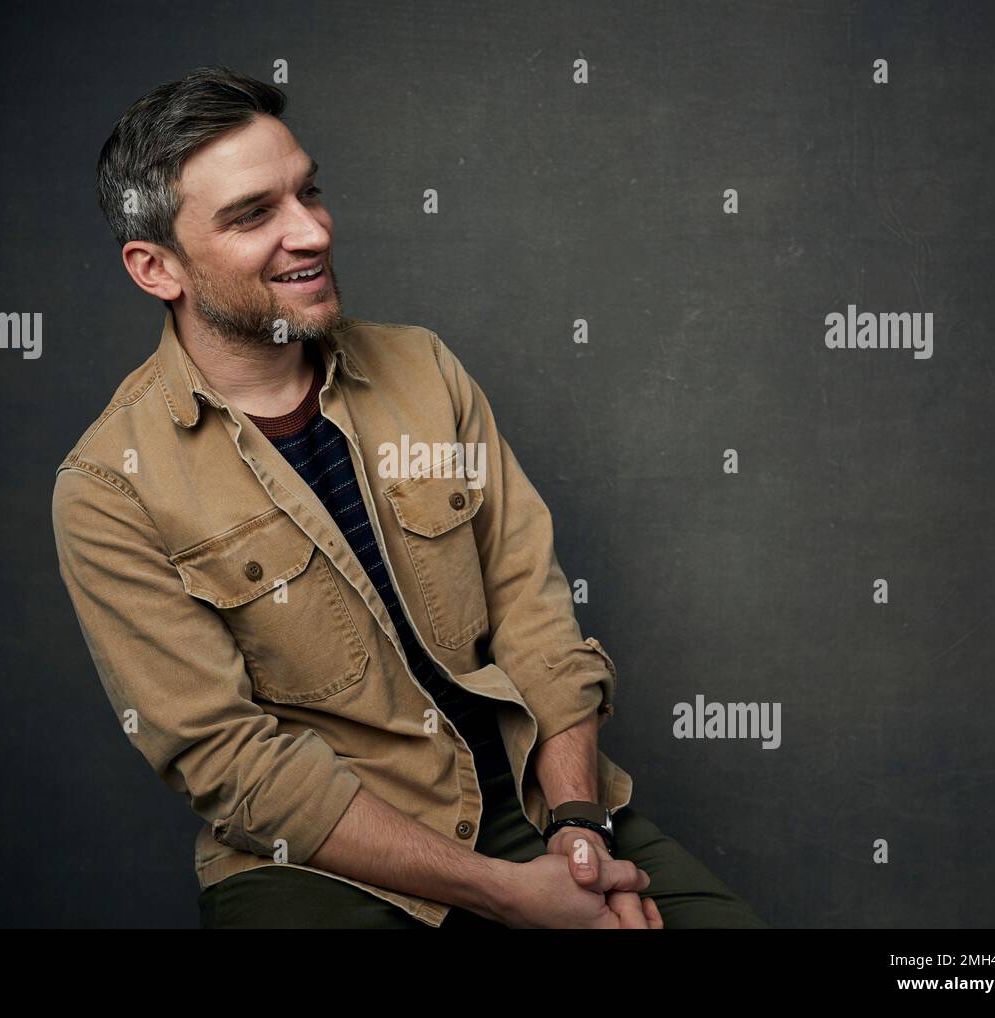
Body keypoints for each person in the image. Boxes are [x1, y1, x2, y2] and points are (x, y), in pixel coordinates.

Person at [51, 65, 767, 929]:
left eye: (308, 192)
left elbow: (533, 610)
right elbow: (234, 763)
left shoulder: (424, 370)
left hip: (532, 806)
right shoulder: (107, 488)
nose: (311, 231)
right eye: (254, 215)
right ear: (155, 267)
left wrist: (577, 829)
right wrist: (509, 898)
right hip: (319, 864)